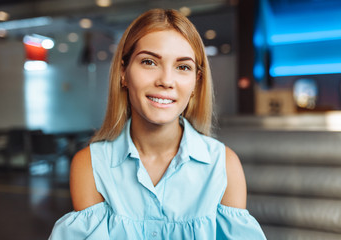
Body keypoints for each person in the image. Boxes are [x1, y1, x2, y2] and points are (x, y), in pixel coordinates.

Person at [49, 8, 266, 240]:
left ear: (195, 82)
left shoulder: (223, 166)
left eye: (183, 67)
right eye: (149, 62)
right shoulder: (90, 166)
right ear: (124, 73)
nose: (166, 81)